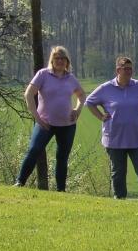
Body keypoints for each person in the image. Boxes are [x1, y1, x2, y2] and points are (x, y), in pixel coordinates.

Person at [84, 56, 138, 203]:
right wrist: (101, 116)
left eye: (130, 69)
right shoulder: (106, 88)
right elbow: (89, 102)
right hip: (114, 139)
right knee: (118, 173)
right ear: (117, 70)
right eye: (125, 69)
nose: (129, 71)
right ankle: (120, 201)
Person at [14, 45, 86, 192]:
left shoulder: (71, 78)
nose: (60, 61)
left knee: (62, 157)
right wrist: (37, 117)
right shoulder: (43, 74)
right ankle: (20, 182)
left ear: (67, 61)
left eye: (63, 58)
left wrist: (77, 109)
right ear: (52, 60)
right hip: (45, 123)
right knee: (34, 150)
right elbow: (29, 94)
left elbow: (82, 95)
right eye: (57, 58)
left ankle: (61, 190)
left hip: (67, 125)